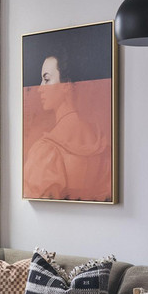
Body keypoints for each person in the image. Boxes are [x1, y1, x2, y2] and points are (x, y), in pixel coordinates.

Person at [22, 49, 112, 201]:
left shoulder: (46, 151)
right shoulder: (102, 146)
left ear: (66, 85)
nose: (39, 88)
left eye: (47, 79)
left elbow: (42, 206)